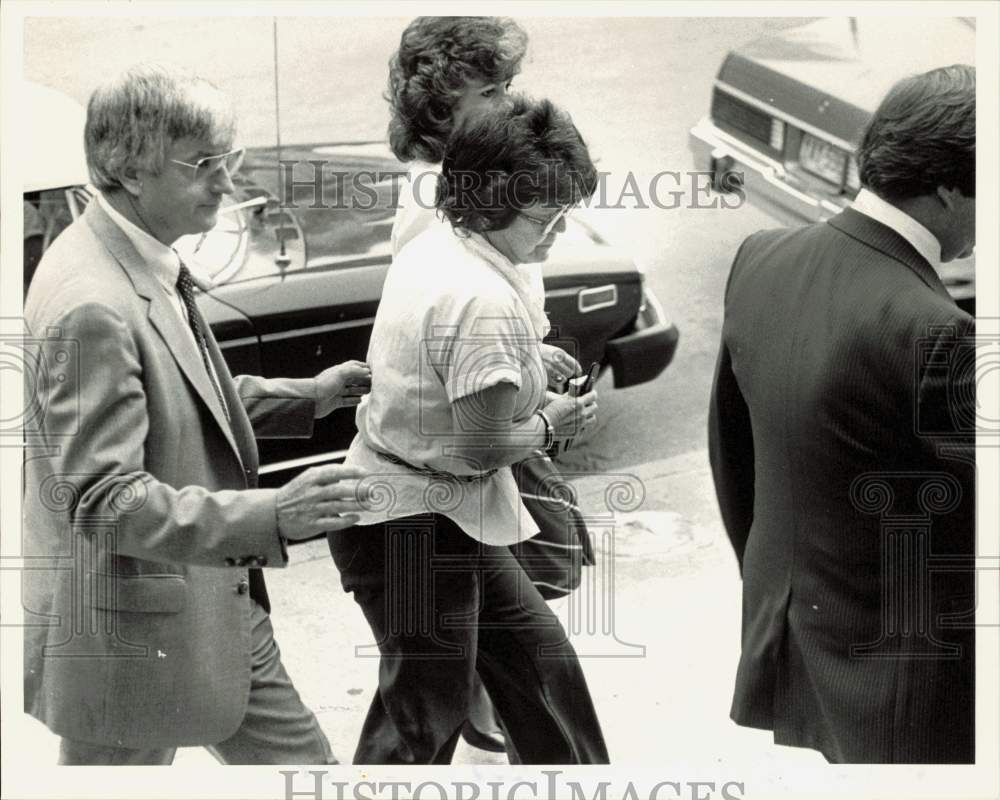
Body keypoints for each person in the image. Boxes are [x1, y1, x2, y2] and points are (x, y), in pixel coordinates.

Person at [22, 62, 372, 765]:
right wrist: (272, 515)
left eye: (229, 158)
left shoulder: (130, 257)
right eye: (204, 163)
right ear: (128, 171)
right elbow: (103, 500)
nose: (228, 181)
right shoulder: (93, 301)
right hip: (138, 622)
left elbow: (177, 399)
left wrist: (308, 396)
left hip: (182, 604)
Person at [328, 96, 609, 765]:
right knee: (421, 722)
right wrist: (551, 421)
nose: (559, 232)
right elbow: (481, 447)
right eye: (546, 217)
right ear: (486, 203)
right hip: (416, 528)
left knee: (543, 669)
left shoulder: (439, 245)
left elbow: (441, 353)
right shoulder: (482, 298)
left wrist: (522, 361)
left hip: (422, 512)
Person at [708, 64, 976, 763]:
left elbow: (733, 457)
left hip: (793, 629)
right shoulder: (936, 329)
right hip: (909, 680)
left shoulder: (759, 258)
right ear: (950, 188)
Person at [385, 16, 590, 753]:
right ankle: (478, 697)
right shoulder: (436, 208)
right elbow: (456, 325)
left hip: (464, 450)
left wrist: (532, 352)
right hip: (448, 471)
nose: (508, 100)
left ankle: (482, 698)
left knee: (507, 648)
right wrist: (539, 410)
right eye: (492, 88)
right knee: (435, 689)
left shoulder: (497, 176)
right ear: (439, 108)